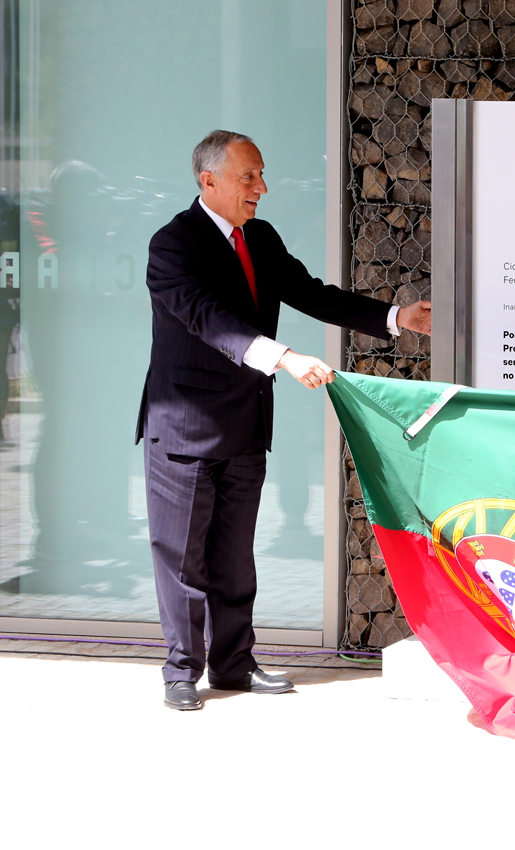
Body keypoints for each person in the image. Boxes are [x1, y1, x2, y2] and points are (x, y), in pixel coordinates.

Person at [137, 130, 431, 710]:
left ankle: (233, 665)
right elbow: (207, 318)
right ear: (209, 180)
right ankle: (180, 671)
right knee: (182, 559)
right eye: (249, 177)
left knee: (234, 556)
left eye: (262, 175)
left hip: (245, 423)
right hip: (185, 429)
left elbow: (309, 293)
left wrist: (397, 317)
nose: (261, 189)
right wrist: (284, 356)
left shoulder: (261, 238)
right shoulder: (172, 244)